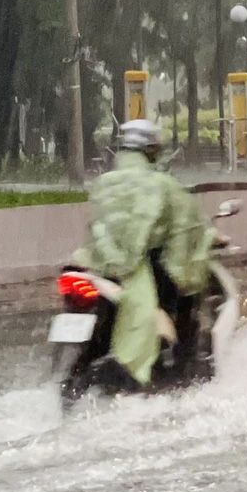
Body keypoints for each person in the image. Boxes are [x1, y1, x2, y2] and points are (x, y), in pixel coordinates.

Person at [72, 118, 213, 390]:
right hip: (146, 272)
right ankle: (177, 375)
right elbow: (187, 227)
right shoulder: (163, 184)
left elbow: (97, 226)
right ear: (152, 151)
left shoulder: (103, 183)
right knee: (183, 301)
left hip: (99, 270)